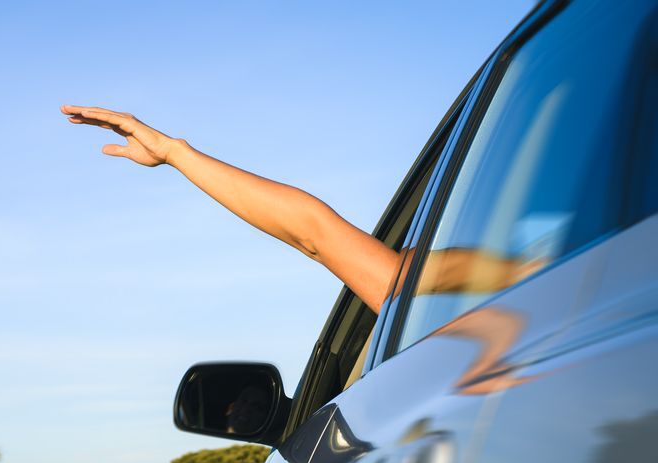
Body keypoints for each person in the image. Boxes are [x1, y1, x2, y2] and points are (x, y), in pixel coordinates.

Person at [61, 105, 543, 314]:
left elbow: (324, 241)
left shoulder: (551, 281)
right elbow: (321, 240)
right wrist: (175, 152)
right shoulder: (573, 275)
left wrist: (176, 154)